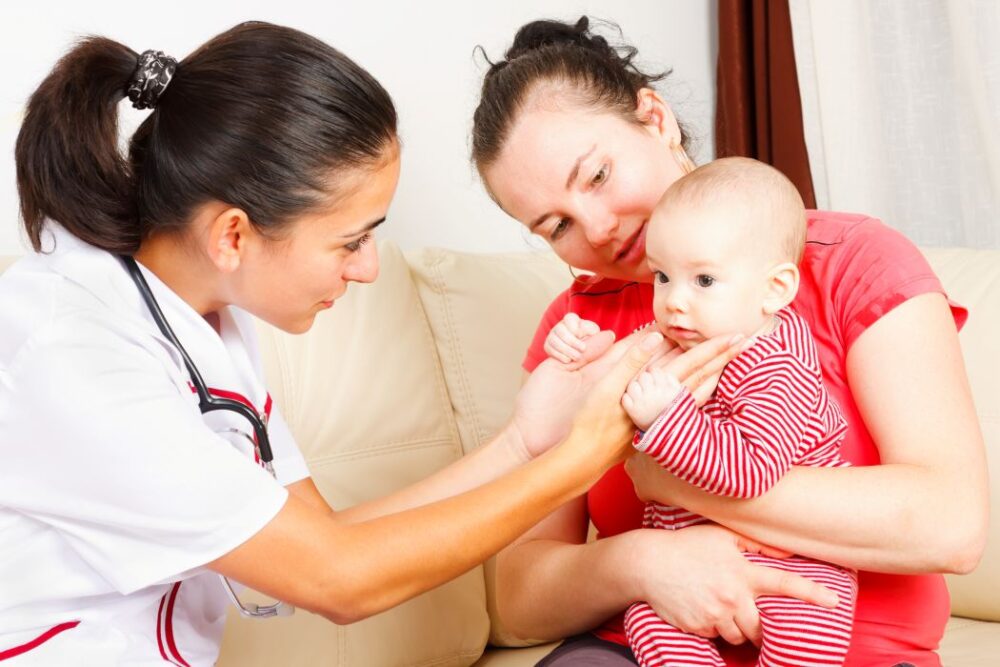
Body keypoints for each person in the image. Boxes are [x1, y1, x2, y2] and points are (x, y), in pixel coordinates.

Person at [0, 21, 763, 665]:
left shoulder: (209, 324)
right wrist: (581, 455)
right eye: (351, 240)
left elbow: (323, 537)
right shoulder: (71, 349)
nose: (367, 269)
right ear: (234, 234)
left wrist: (522, 442)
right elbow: (337, 579)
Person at [471, 16, 988, 667]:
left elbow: (952, 524)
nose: (596, 228)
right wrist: (644, 560)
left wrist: (671, 478)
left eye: (597, 176)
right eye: (556, 226)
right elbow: (519, 597)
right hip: (643, 651)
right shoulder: (576, 329)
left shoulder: (853, 261)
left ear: (654, 118)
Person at [544, 157, 858, 666]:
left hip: (796, 560)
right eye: (663, 277)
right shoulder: (686, 334)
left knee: (810, 620)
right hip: (685, 560)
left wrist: (668, 419)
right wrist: (586, 352)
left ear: (774, 290)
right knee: (645, 619)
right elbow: (621, 366)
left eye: (704, 281)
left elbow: (751, 472)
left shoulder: (779, 366)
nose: (673, 303)